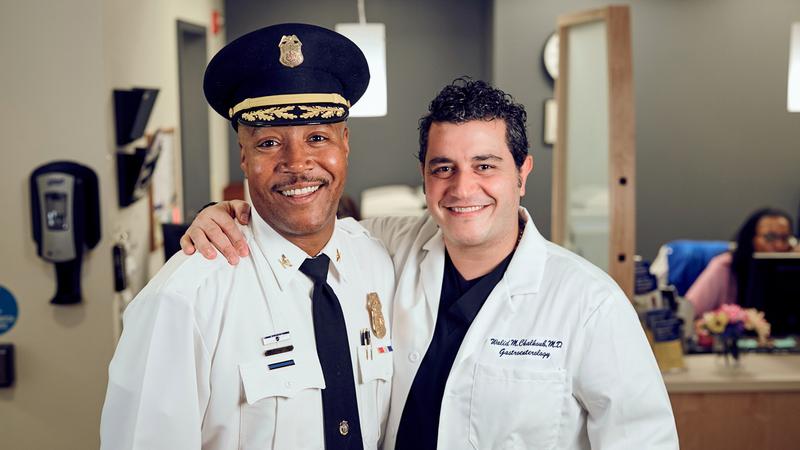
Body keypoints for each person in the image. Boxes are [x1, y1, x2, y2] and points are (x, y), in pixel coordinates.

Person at [182, 79, 678, 449]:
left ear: (522, 174)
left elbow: (644, 439)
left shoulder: (589, 303)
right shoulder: (385, 247)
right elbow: (303, 220)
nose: (463, 189)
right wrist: (223, 212)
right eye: (444, 168)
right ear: (424, 178)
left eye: (485, 165)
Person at [100, 23, 396, 450]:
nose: (298, 164)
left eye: (317, 137)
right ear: (243, 155)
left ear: (344, 143)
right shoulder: (183, 301)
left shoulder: (378, 261)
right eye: (270, 143)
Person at [686, 208, 797, 317]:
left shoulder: (792, 269)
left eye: (785, 238)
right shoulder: (725, 266)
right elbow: (689, 313)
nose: (779, 245)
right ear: (751, 238)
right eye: (770, 237)